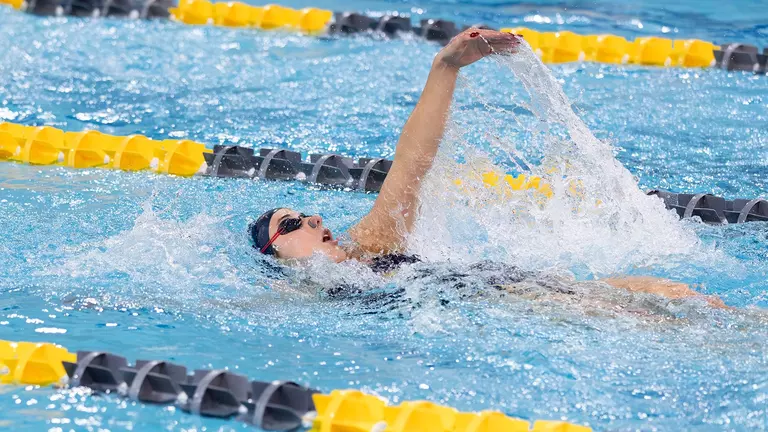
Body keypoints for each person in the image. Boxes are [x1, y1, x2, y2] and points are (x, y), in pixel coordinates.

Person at [248, 29, 727, 309]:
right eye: (289, 224)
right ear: (275, 257)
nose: (313, 219)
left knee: (682, 298)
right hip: (532, 311)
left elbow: (412, 164)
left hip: (537, 294)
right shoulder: (297, 299)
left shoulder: (371, 246)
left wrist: (446, 66)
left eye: (306, 214)